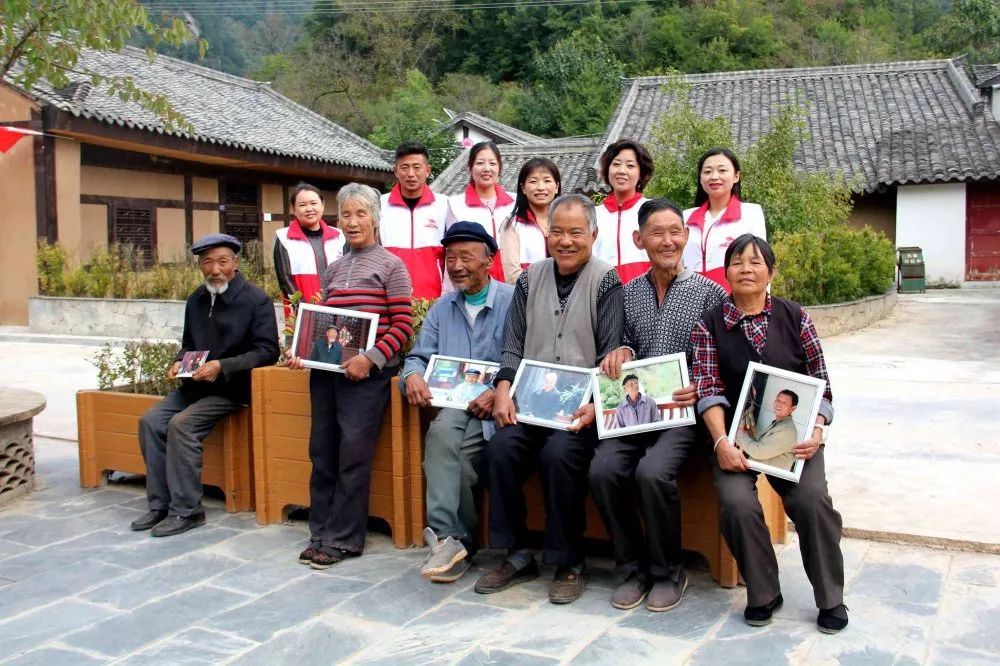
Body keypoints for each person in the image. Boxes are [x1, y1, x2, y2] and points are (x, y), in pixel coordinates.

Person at [691, 233, 847, 634]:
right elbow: (707, 389)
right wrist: (721, 442)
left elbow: (822, 385)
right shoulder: (709, 324)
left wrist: (816, 430)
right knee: (736, 500)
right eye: (738, 261)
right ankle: (763, 591)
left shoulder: (795, 317)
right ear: (725, 271)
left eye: (756, 262)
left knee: (812, 500)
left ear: (771, 272)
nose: (746, 269)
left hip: (795, 439)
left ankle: (830, 597)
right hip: (735, 440)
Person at [475, 194, 624, 605]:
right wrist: (503, 388)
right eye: (557, 231)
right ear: (546, 233)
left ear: (593, 234)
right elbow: (512, 345)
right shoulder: (529, 279)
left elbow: (611, 350)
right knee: (499, 449)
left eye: (576, 232)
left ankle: (568, 561)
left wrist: (596, 405)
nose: (565, 240)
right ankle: (517, 553)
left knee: (560, 455)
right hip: (530, 404)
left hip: (579, 410)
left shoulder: (607, 280)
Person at [589, 198, 725, 612]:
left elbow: (722, 359)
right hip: (633, 412)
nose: (667, 241)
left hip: (682, 416)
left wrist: (700, 387)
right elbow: (615, 344)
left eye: (675, 232)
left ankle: (668, 571)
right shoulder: (628, 293)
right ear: (639, 239)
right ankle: (632, 568)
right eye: (656, 233)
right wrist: (620, 352)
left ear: (686, 236)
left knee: (651, 473)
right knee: (603, 469)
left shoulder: (709, 294)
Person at [289, 183, 414, 569]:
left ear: (375, 219)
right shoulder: (333, 269)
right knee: (322, 453)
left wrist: (372, 359)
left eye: (361, 214)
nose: (353, 221)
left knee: (352, 457)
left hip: (365, 380)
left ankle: (344, 539)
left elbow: (403, 325)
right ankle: (320, 532)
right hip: (326, 377)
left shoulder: (392, 266)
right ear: (337, 220)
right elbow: (326, 324)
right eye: (346, 214)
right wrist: (303, 353)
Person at [131, 233, 279, 537]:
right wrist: (178, 361)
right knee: (150, 421)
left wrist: (222, 367)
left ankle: (188, 511)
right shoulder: (197, 299)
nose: (215, 269)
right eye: (208, 262)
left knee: (182, 425)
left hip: (233, 389)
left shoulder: (256, 300)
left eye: (222, 261)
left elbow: (267, 351)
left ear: (235, 264)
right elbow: (188, 344)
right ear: (200, 265)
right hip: (195, 386)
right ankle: (160, 505)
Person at [401, 221, 514, 583]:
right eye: (451, 257)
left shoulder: (513, 301)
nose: (457, 265)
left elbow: (526, 356)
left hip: (497, 406)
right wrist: (412, 375)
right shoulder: (440, 308)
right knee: (440, 436)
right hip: (453, 405)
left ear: (489, 260)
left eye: (467, 256)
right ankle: (451, 538)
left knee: (464, 466)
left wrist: (500, 388)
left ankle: (456, 542)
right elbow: (418, 356)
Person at [683, 148, 766, 291]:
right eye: (707, 172)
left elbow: (761, 264)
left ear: (736, 176)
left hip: (734, 301)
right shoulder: (685, 217)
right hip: (690, 300)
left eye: (722, 170)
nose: (714, 177)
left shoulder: (751, 213)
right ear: (700, 177)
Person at [380, 142, 450, 300]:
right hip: (390, 296)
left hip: (434, 298)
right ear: (395, 171)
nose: (411, 174)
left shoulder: (445, 205)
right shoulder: (380, 205)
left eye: (417, 167)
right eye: (404, 167)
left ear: (428, 170)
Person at [446, 141, 514, 283]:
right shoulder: (455, 204)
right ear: (469, 168)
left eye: (492, 163)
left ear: (500, 168)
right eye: (480, 163)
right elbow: (451, 251)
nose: (487, 169)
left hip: (511, 282)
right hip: (474, 283)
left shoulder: (516, 203)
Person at [273, 183, 345, 315]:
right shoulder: (283, 238)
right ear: (293, 208)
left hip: (337, 310)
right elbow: (285, 280)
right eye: (302, 205)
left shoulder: (339, 236)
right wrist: (303, 311)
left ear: (322, 205)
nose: (309, 208)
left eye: (313, 203)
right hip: (301, 312)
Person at [593, 139, 654, 284]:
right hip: (603, 296)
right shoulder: (592, 215)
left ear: (641, 173)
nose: (621, 171)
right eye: (616, 164)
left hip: (645, 296)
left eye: (630, 165)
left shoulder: (653, 211)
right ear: (607, 170)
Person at [497, 158, 561, 284]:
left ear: (557, 187)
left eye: (547, 181)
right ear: (523, 188)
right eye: (533, 181)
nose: (541, 187)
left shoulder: (566, 222)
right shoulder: (512, 225)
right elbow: (511, 276)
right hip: (528, 300)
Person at [736, 390, 800, 471]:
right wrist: (748, 436)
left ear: (792, 409)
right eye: (777, 400)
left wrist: (740, 435)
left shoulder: (787, 430)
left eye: (784, 403)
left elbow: (759, 452)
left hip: (768, 478)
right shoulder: (780, 423)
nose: (779, 404)